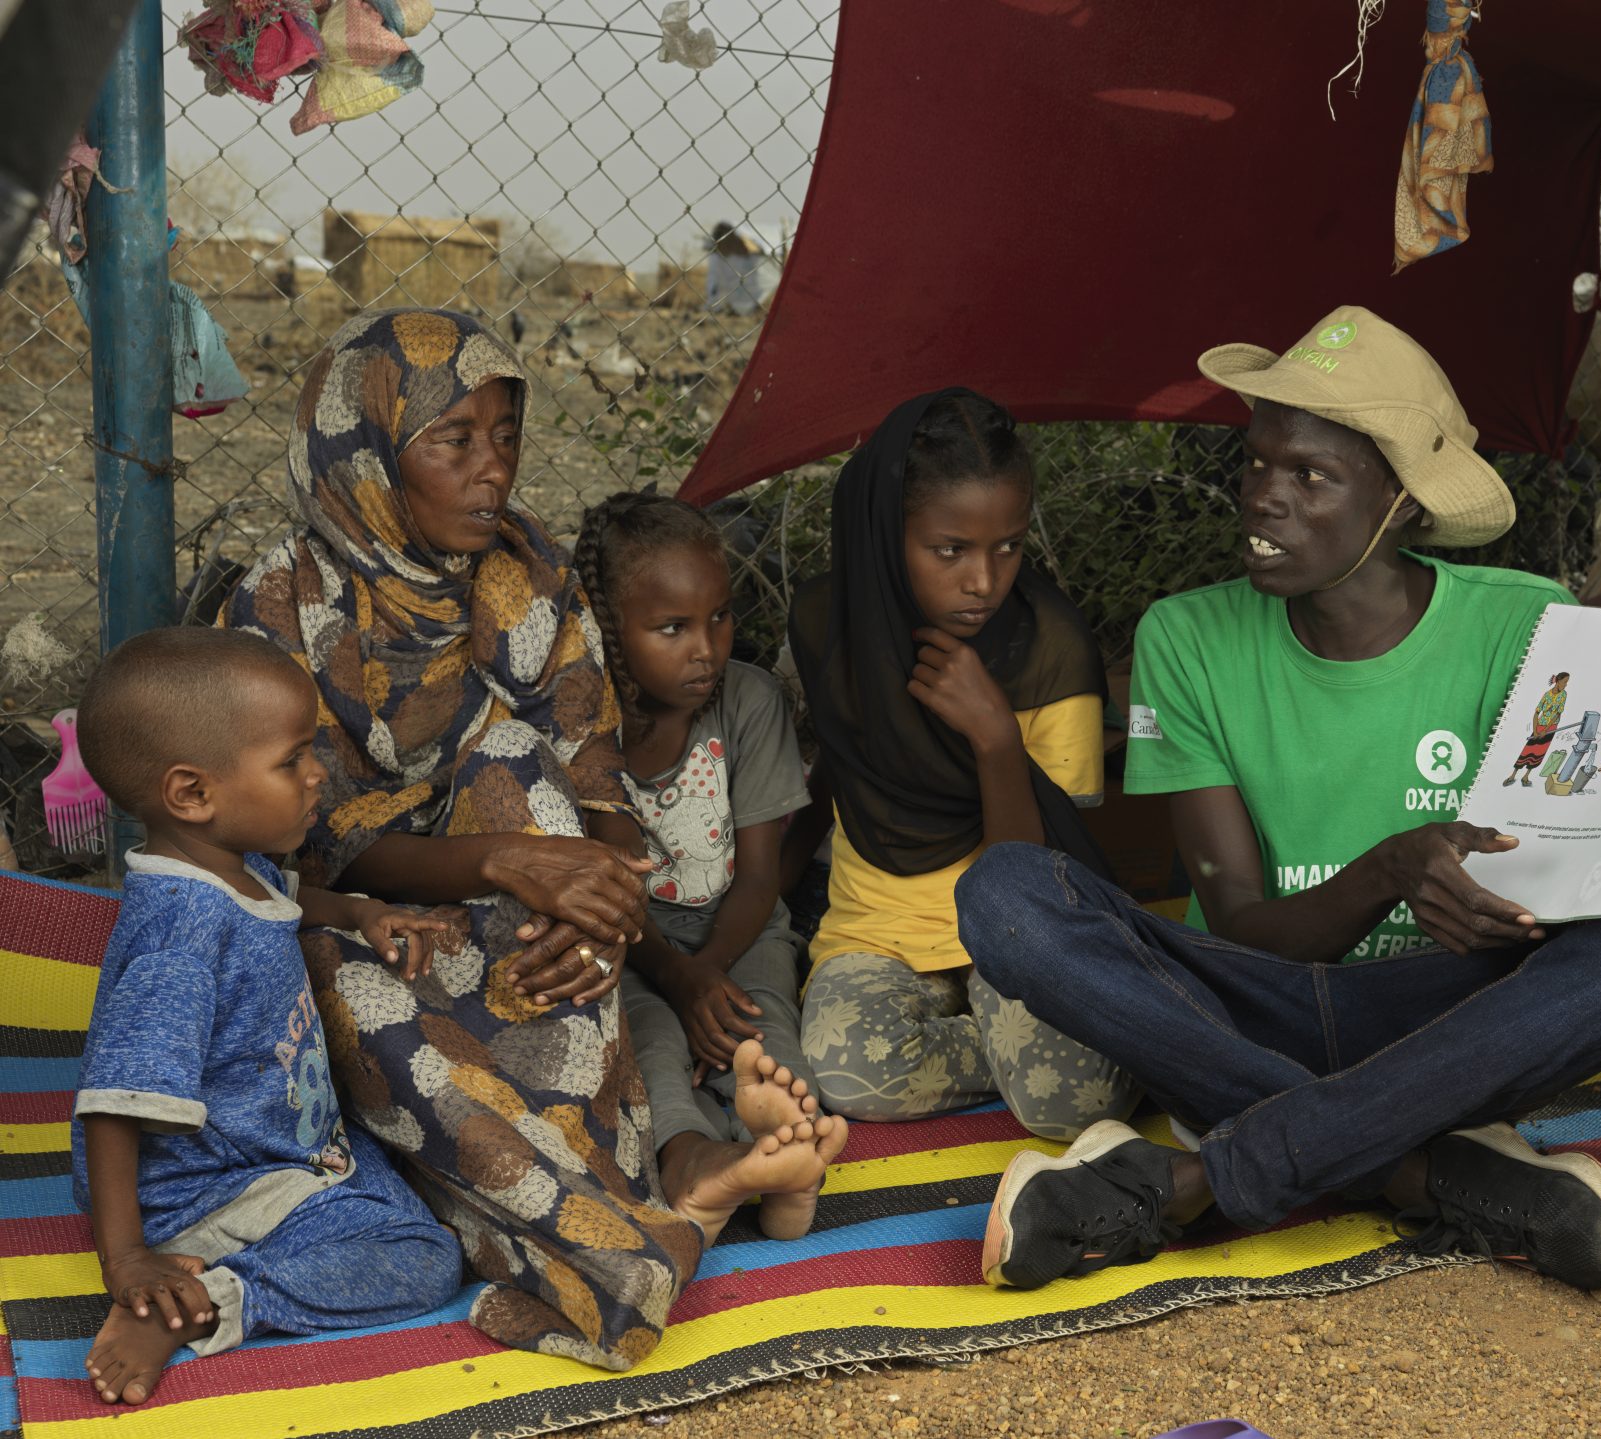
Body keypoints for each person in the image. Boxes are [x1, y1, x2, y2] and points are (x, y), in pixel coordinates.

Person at [958, 307, 1601, 1294]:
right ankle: (1421, 1168)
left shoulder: (1523, 623)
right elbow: (1248, 930)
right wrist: (1390, 867)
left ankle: (1204, 1173)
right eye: (1259, 462)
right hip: (1239, 1003)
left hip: (1457, 1011)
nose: (1264, 497)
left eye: (1311, 475)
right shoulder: (1187, 638)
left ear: (1399, 500)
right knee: (1005, 893)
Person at [224, 308, 831, 1372]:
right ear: (365, 452)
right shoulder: (284, 603)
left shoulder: (527, 574)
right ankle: (648, 1223)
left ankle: (616, 1199)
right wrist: (509, 863)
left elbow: (595, 786)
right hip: (357, 933)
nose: (491, 470)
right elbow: (309, 843)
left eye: (504, 436)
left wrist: (606, 906)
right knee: (370, 978)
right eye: (452, 441)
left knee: (517, 769)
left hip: (527, 941)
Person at [69, 628, 463, 1406]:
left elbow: (281, 898)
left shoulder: (227, 860)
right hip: (205, 1191)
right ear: (192, 793)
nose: (318, 774)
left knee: (429, 1184)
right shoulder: (180, 935)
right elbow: (116, 1103)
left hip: (282, 1149)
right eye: (292, 760)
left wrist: (355, 908)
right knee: (425, 1257)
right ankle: (204, 1303)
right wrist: (128, 1257)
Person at [781, 388, 1139, 1137]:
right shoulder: (829, 622)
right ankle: (997, 1057)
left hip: (1016, 936)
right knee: (844, 1069)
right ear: (886, 534)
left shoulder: (1050, 650)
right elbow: (840, 772)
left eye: (1008, 545)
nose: (984, 580)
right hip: (875, 930)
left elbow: (1038, 880)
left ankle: (1009, 1049)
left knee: (1079, 1104)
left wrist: (996, 739)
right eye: (951, 550)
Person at [573, 492, 848, 1240]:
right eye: (673, 628)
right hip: (633, 950)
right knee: (654, 1046)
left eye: (719, 617)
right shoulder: (581, 724)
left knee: (762, 1034)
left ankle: (780, 1142)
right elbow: (605, 891)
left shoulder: (749, 702)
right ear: (611, 633)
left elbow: (762, 874)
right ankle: (700, 1159)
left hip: (743, 932)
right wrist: (680, 979)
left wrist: (713, 973)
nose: (707, 647)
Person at [1503, 673, 1570, 786]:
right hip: (1539, 725)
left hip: (1551, 728)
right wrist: (1535, 730)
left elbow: (1557, 714)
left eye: (1567, 682)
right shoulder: (1547, 695)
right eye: (1564, 682)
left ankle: (1526, 776)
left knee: (1538, 752)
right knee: (1527, 750)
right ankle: (1513, 775)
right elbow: (1537, 713)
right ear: (1558, 681)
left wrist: (1546, 730)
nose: (1566, 685)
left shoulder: (1563, 695)